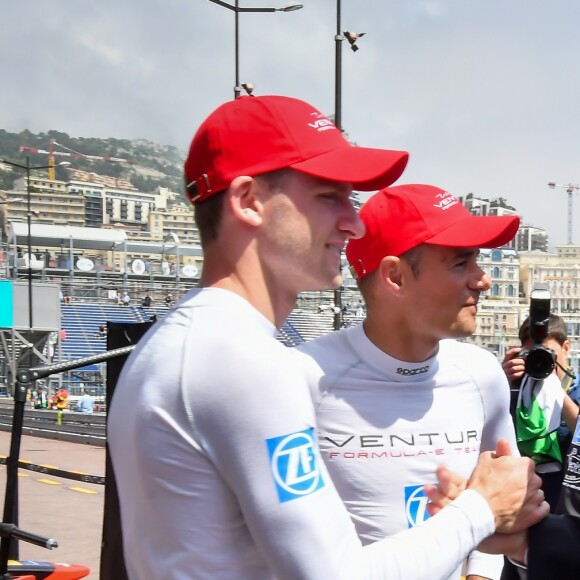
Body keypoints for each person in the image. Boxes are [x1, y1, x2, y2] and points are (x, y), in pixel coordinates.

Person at [108, 95, 543, 580]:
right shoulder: (240, 360)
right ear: (249, 202)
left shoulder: (188, 342)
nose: (353, 223)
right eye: (328, 197)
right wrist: (482, 509)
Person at [296, 183, 523, 580]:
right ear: (395, 276)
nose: (482, 280)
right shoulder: (302, 376)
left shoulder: (482, 374)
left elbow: (502, 508)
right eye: (460, 263)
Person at [502, 314, 580, 509]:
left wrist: (556, 392)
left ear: (566, 348)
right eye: (533, 355)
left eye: (549, 353)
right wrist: (501, 384)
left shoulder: (576, 390)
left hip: (568, 506)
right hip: (523, 504)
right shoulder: (515, 392)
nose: (542, 361)